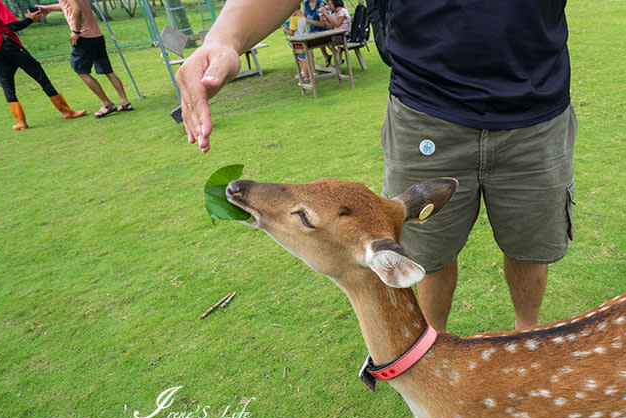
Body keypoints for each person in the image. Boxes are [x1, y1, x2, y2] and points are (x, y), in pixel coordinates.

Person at [175, 0, 577, 334]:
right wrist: (226, 38)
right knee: (427, 252)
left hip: (537, 112)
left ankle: (529, 334)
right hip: (427, 108)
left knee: (529, 248)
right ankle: (430, 345)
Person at [0, 0, 85, 129]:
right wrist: (31, 19)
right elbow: (12, 26)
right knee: (39, 75)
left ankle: (21, 122)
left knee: (7, 85)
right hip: (8, 44)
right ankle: (66, 112)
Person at [36, 0, 133, 118]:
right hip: (96, 35)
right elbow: (69, 6)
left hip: (84, 37)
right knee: (108, 71)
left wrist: (76, 31)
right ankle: (125, 102)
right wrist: (49, 8)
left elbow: (76, 9)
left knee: (82, 72)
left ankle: (107, 104)